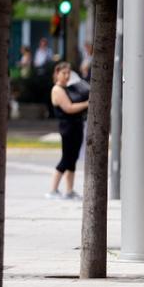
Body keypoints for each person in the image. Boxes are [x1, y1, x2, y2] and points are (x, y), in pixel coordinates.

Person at [47, 62, 88, 199]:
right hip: (67, 128)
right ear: (57, 73)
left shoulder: (70, 88)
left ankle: (69, 190)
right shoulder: (57, 90)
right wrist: (87, 104)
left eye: (68, 73)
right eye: (63, 73)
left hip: (77, 126)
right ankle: (53, 189)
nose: (66, 76)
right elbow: (69, 108)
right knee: (66, 158)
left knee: (72, 159)